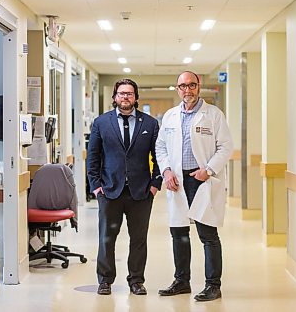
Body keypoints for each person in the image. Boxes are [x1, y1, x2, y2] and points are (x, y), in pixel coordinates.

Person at [155, 71, 234, 302]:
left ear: (198, 87)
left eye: (191, 85)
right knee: (178, 233)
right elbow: (161, 147)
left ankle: (213, 285)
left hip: (203, 180)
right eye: (182, 86)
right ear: (177, 89)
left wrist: (208, 170)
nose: (187, 90)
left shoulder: (213, 115)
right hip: (177, 181)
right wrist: (166, 170)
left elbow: (225, 147)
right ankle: (182, 281)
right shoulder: (170, 116)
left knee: (208, 234)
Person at [86, 78, 162, 296]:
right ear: (114, 97)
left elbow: (159, 156)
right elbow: (93, 157)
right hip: (109, 191)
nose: (125, 97)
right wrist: (96, 187)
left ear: (136, 98)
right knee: (107, 238)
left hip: (141, 192)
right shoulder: (101, 123)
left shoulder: (150, 124)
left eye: (129, 93)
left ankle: (136, 280)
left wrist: (155, 184)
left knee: (138, 239)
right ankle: (105, 280)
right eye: (121, 93)